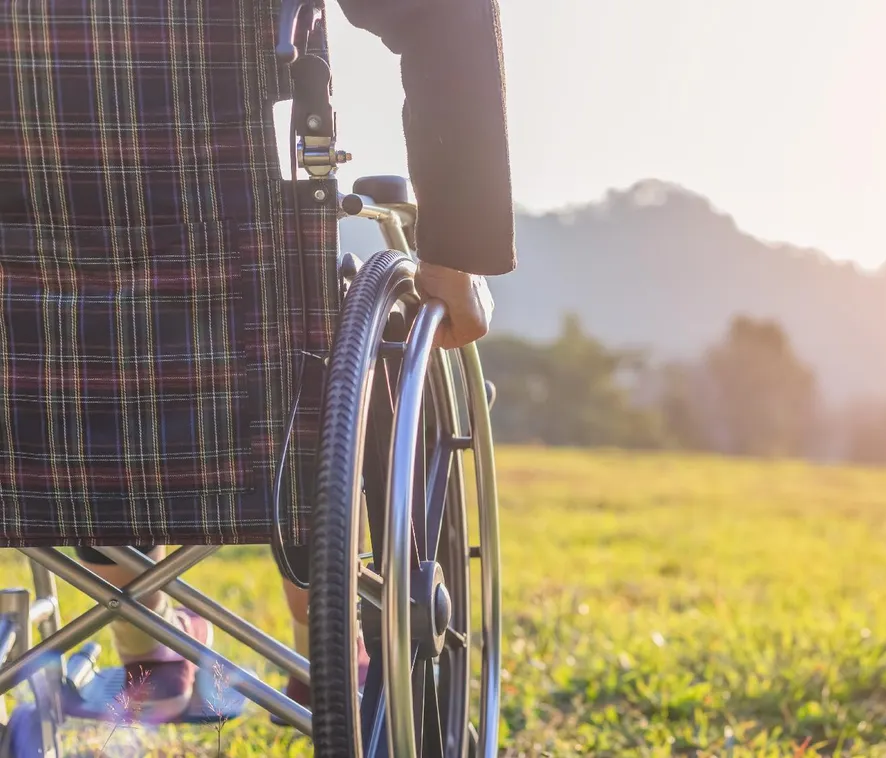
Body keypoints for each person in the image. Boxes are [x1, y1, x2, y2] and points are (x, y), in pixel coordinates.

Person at [1, 0, 514, 723]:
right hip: (239, 286)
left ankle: (145, 642)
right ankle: (319, 642)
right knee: (293, 344)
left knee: (61, 340)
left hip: (28, 322)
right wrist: (456, 249)